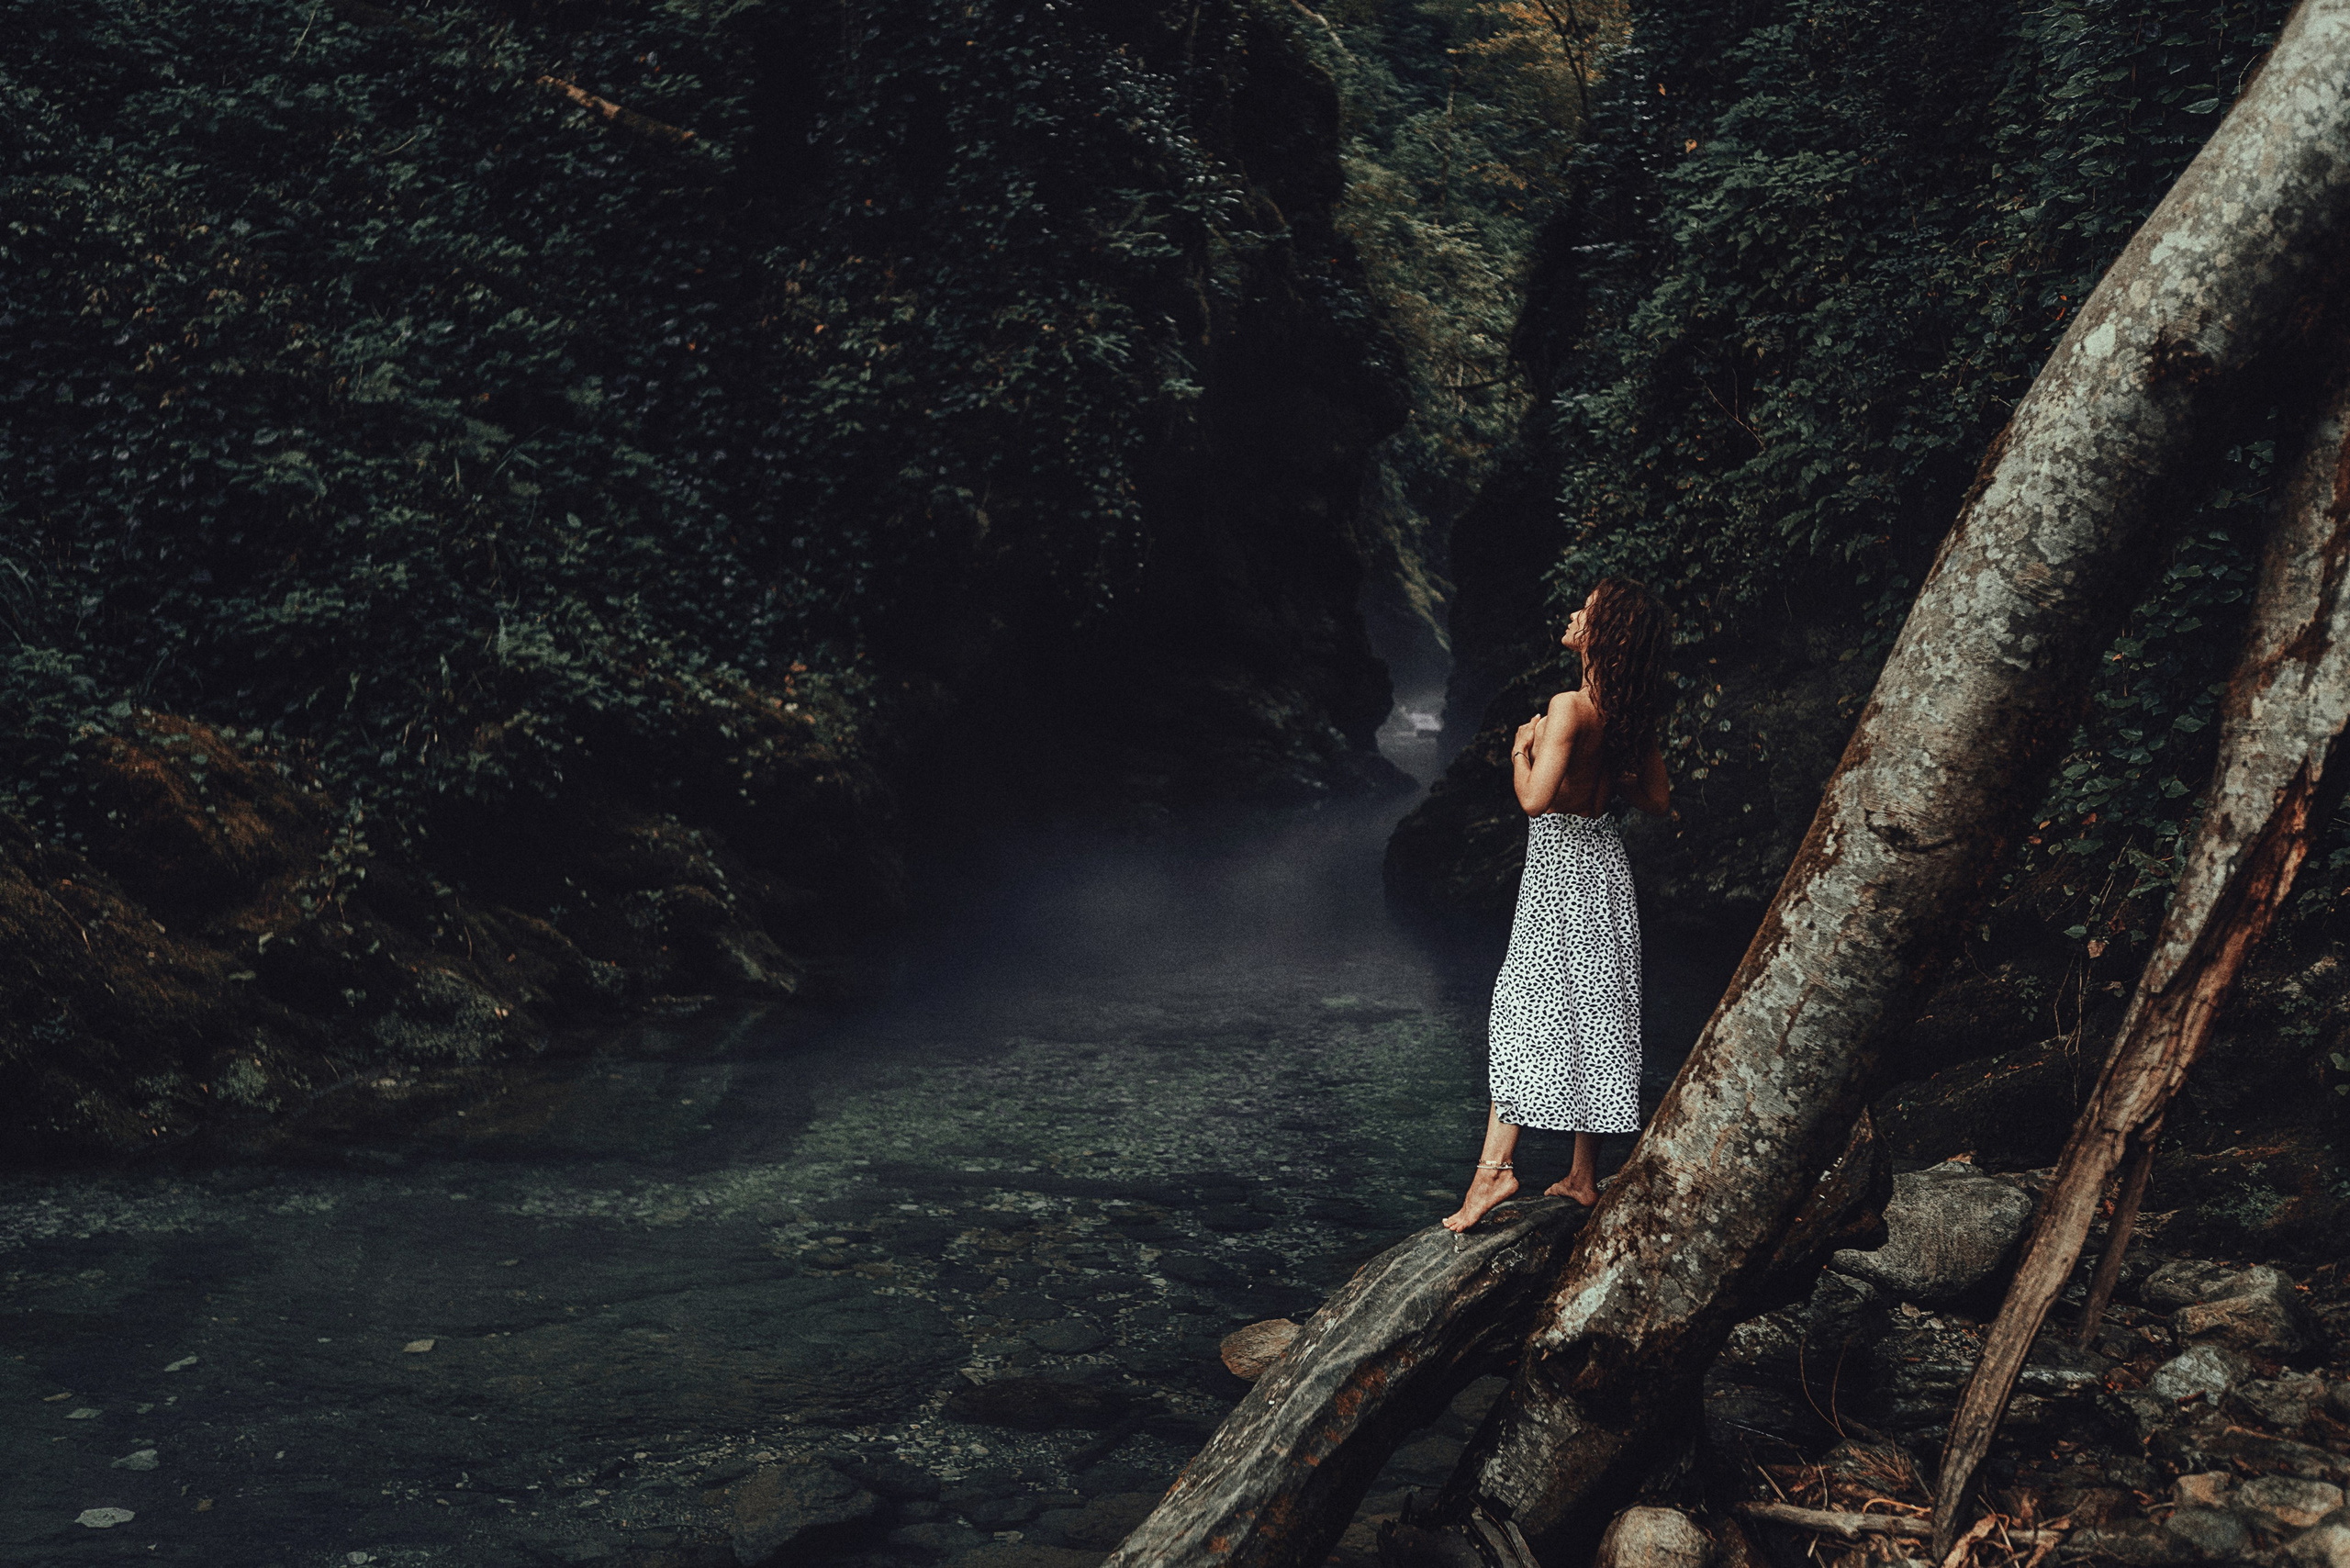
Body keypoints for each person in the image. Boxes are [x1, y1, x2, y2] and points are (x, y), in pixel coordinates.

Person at [1442, 577, 1672, 1233]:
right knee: (1600, 1009)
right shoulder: (1631, 710)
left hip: (1561, 871)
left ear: (1607, 634)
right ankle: (1581, 1176)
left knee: (1524, 1006)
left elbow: (1535, 801)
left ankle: (1495, 1172)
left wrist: (1521, 752)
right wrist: (1618, 777)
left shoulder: (1568, 707)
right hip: (1606, 868)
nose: (1573, 614)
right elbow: (1657, 802)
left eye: (1587, 611)